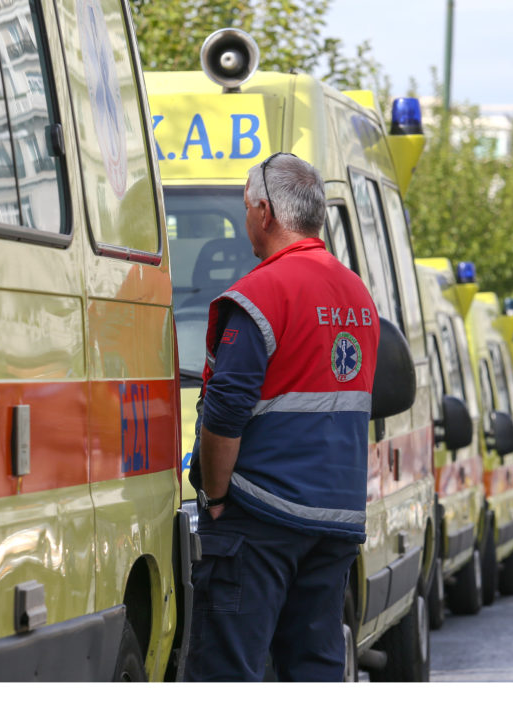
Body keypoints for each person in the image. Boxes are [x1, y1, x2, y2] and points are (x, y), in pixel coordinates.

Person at [184, 153, 380, 682]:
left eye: (246, 207)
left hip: (262, 514)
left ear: (265, 213)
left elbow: (225, 410)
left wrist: (218, 497)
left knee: (228, 670)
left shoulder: (260, 294)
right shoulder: (358, 296)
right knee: (313, 668)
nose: (246, 217)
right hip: (335, 519)